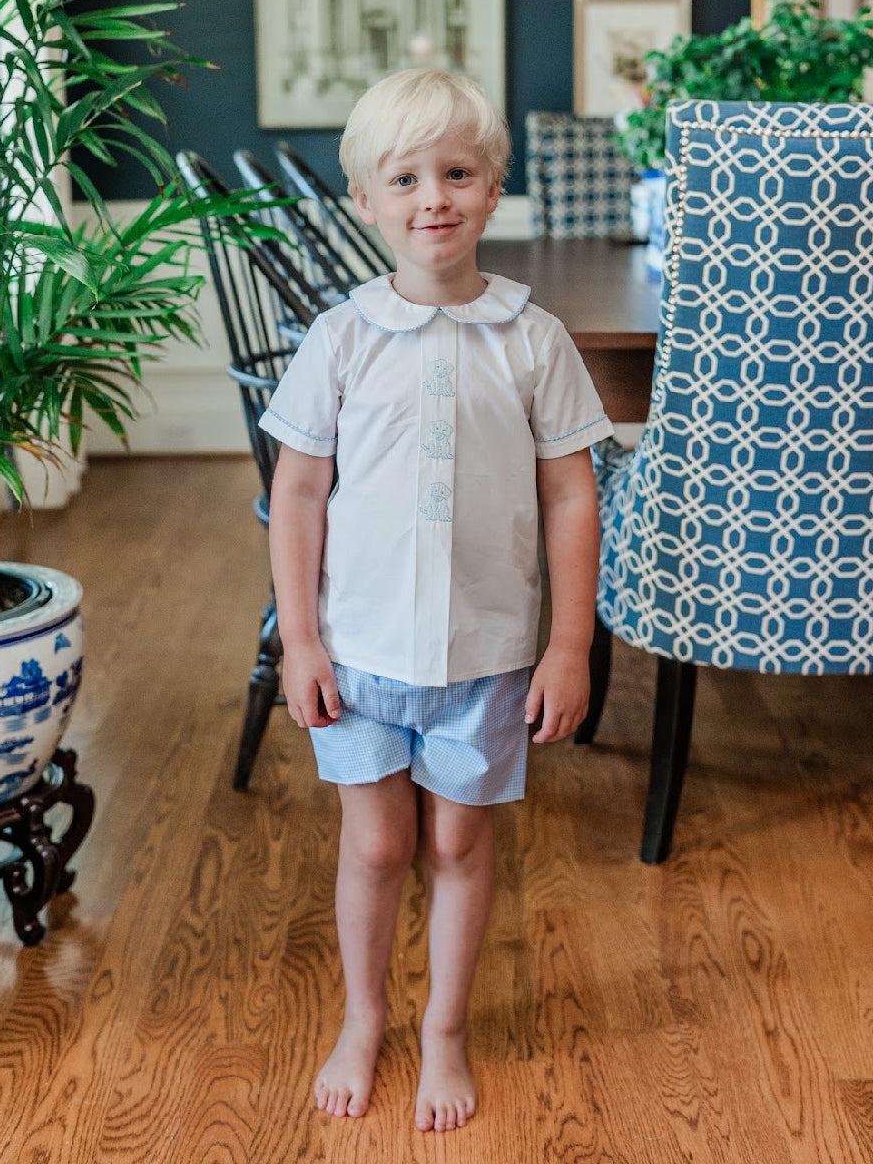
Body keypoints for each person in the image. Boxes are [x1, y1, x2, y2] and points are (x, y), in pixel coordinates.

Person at [259, 68, 613, 1132]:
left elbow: (572, 496)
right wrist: (300, 640)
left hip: (488, 657)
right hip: (357, 654)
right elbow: (297, 495)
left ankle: (445, 1029)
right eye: (405, 178)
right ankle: (363, 1018)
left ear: (493, 189)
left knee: (458, 846)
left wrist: (569, 645)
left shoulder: (534, 339)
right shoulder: (341, 337)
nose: (434, 198)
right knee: (375, 847)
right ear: (366, 200)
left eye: (458, 173)